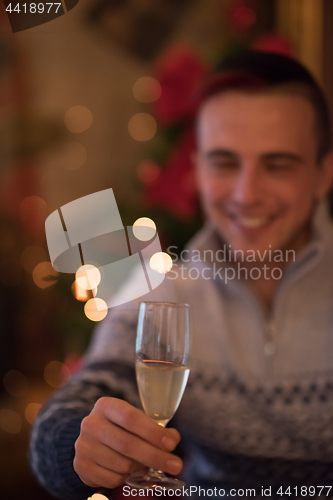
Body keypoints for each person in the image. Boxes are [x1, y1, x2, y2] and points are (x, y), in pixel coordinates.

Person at [30, 50, 333, 500]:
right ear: (198, 170)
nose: (246, 194)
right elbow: (80, 399)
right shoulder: (161, 288)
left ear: (323, 174)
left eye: (278, 164)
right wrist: (80, 442)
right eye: (224, 162)